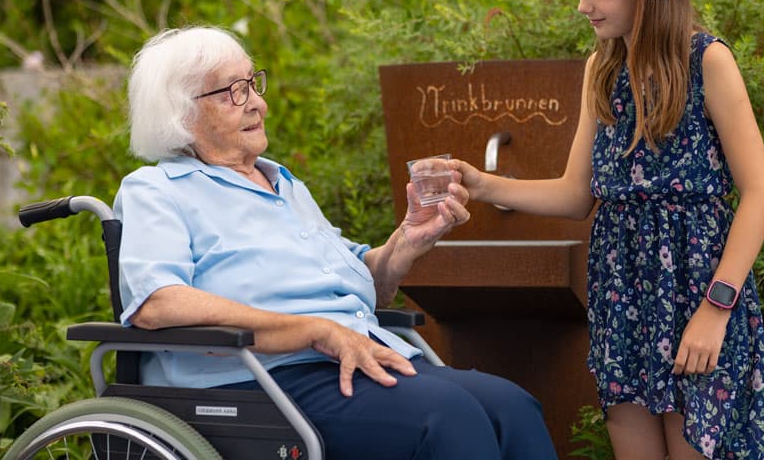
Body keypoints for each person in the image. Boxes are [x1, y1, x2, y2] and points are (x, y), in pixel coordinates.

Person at [452, 0, 764, 460]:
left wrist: (716, 310)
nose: (582, 5)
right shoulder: (602, 69)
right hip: (623, 302)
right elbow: (576, 194)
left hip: (699, 296)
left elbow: (760, 193)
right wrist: (483, 184)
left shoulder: (706, 62)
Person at [115, 25, 558, 460]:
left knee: (511, 407)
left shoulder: (282, 184)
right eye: (233, 91)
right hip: (259, 378)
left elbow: (362, 289)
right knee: (448, 417)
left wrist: (409, 237)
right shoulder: (158, 190)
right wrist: (313, 331)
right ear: (181, 114)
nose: (258, 104)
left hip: (356, 355)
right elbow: (157, 303)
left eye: (252, 84)